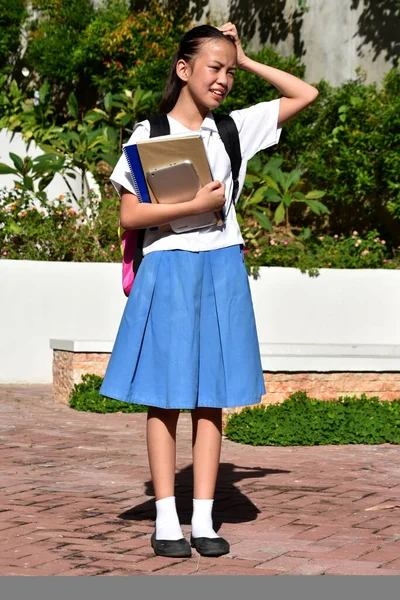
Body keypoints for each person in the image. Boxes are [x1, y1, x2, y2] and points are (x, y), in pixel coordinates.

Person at [100, 22, 318, 558]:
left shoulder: (235, 129)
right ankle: (166, 517)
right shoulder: (148, 132)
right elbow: (129, 214)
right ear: (184, 69)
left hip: (221, 267)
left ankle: (204, 518)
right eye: (213, 68)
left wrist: (243, 57)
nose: (222, 79)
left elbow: (305, 93)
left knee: (212, 398)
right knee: (164, 398)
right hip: (168, 265)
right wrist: (193, 207)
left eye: (228, 71)